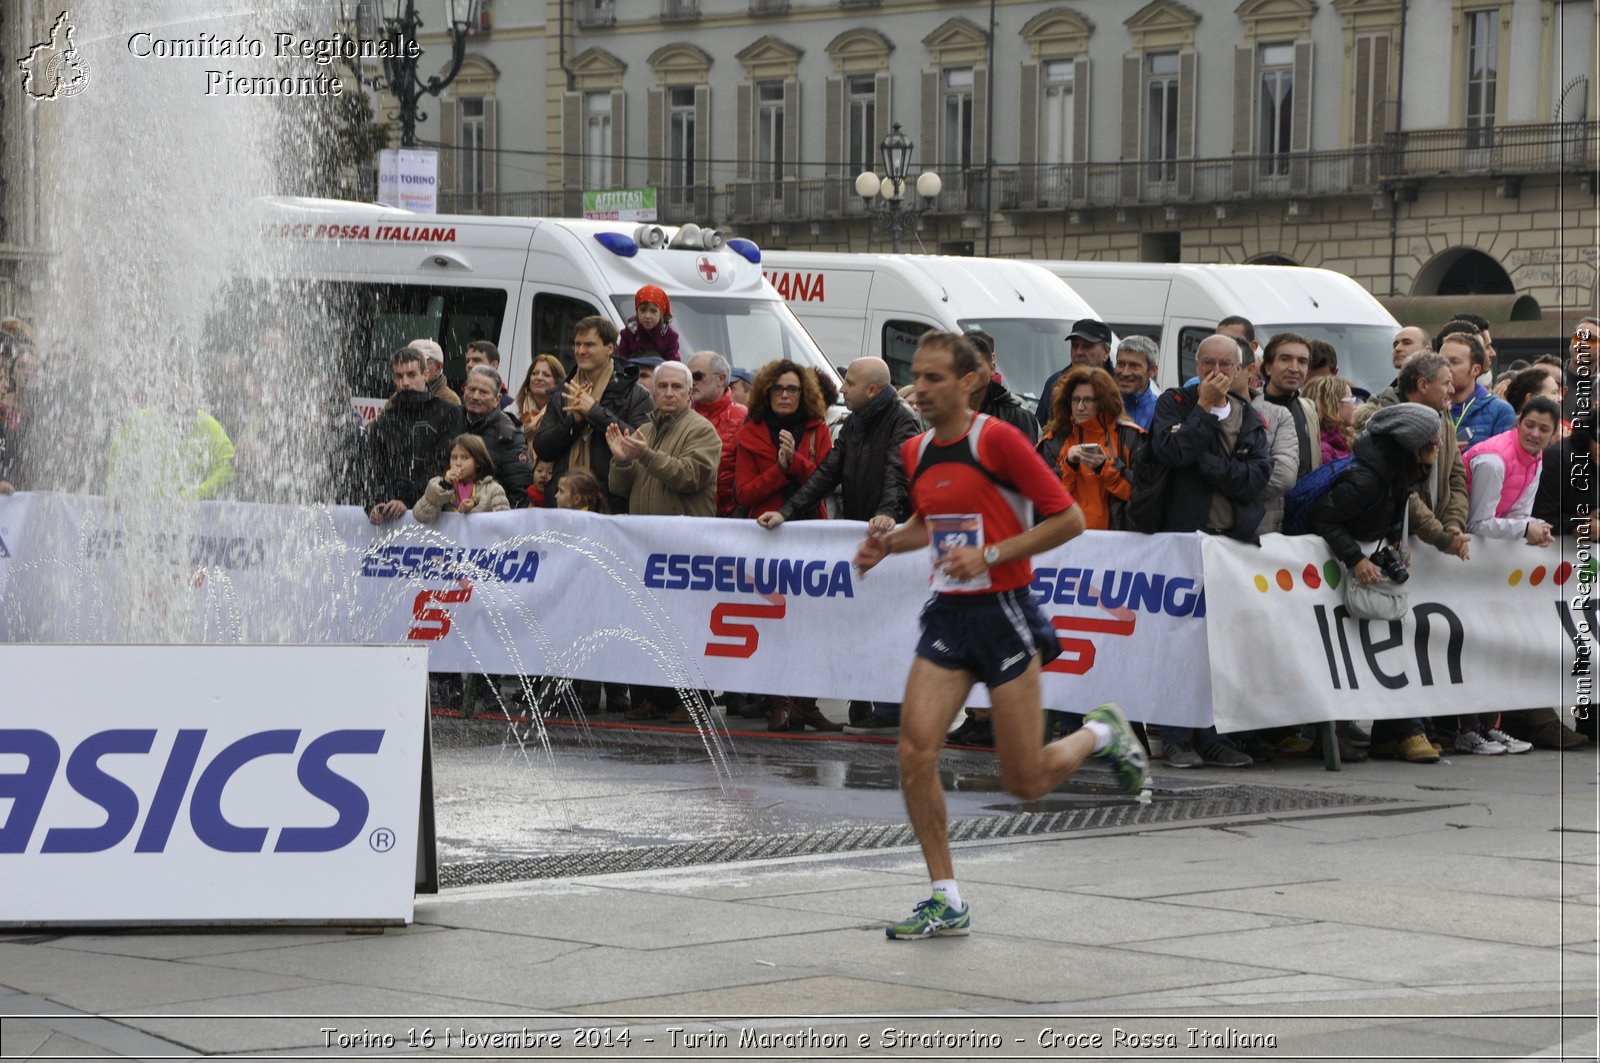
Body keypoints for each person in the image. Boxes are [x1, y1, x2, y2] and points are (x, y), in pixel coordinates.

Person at [853, 330, 1148, 940]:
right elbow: (928, 525)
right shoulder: (916, 451)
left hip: (1004, 611)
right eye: (919, 376)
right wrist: (888, 544)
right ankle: (946, 896)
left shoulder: (1001, 440)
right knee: (914, 750)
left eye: (936, 378)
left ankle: (1101, 733)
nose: (924, 388)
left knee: (1026, 781)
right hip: (949, 615)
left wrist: (991, 554)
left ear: (969, 382)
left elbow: (1065, 518)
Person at [758, 356, 919, 733]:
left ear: (872, 390)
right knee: (858, 620)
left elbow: (899, 472)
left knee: (888, 623)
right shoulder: (854, 424)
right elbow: (827, 473)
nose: (842, 388)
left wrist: (887, 513)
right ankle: (862, 698)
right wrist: (787, 511)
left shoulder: (902, 421)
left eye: (848, 382)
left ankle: (891, 703)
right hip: (860, 534)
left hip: (890, 540)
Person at [1135, 333, 1271, 768]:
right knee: (1180, 644)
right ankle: (1176, 736)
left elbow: (1254, 481)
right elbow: (1172, 451)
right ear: (1196, 365)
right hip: (1182, 540)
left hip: (1228, 546)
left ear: (1240, 370)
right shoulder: (1175, 403)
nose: (1216, 372)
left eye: (1225, 365)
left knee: (1219, 648)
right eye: (1207, 363)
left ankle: (1213, 734)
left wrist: (1208, 465)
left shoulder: (1249, 417)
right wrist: (1202, 413)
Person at [1307, 403, 1446, 764]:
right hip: (1334, 569)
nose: (1439, 447)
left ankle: (1389, 732)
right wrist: (1355, 559)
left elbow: (1384, 514)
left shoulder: (1396, 475)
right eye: (1433, 441)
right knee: (1336, 655)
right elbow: (1324, 517)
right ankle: (1333, 736)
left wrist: (1394, 543)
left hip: (1360, 558)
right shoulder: (1367, 479)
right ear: (1412, 446)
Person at [608, 362, 723, 722]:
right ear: (653, 392)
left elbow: (690, 476)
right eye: (663, 387)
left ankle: (688, 701)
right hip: (644, 546)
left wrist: (646, 455)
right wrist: (623, 462)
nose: (670, 393)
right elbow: (619, 488)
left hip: (684, 546)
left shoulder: (703, 431)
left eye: (677, 387)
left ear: (690, 394)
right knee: (647, 624)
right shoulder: (643, 429)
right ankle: (650, 697)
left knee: (683, 625)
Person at [732, 359, 840, 732]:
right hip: (767, 537)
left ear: (803, 393)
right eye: (778, 388)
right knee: (773, 622)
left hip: (810, 535)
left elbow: (826, 479)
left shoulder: (818, 430)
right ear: (766, 392)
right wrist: (778, 470)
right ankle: (777, 704)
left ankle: (805, 705)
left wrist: (792, 460)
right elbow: (744, 492)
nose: (784, 395)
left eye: (792, 388)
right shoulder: (750, 432)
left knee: (811, 622)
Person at [532, 316, 653, 514]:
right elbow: (543, 448)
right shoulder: (563, 392)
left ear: (610, 348)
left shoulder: (635, 394)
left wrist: (594, 413)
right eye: (577, 344)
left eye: (589, 345)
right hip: (563, 503)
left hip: (610, 503)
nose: (580, 351)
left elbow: (642, 442)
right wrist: (574, 422)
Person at [1363, 352, 1472, 562]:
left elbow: (1456, 477)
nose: (1452, 390)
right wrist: (1440, 537)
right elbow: (1403, 491)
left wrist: (1453, 525)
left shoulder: (1443, 419)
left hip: (1432, 537)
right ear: (1423, 385)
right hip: (1390, 542)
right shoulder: (1384, 423)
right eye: (1446, 383)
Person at [1035, 365, 1142, 532]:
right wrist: (1067, 467)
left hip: (1118, 544)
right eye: (1075, 400)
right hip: (1064, 543)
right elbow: (1040, 501)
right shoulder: (1053, 442)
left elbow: (1144, 495)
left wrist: (1105, 467)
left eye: (1088, 400)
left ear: (1103, 401)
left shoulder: (1129, 437)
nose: (1080, 407)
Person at [366, 348, 466, 524]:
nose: (405, 382)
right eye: (399, 376)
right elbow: (374, 468)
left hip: (433, 514)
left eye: (411, 375)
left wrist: (408, 499)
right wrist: (376, 502)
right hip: (388, 514)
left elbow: (442, 464)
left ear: (426, 375)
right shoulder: (385, 419)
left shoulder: (449, 412)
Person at [686, 350, 748, 517]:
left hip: (730, 521)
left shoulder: (744, 417)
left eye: (697, 376)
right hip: (688, 517)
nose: (691, 383)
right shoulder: (680, 416)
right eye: (688, 377)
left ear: (721, 379)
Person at [461, 366, 534, 505]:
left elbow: (519, 492)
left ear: (497, 399)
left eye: (483, 392)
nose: (475, 396)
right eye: (471, 389)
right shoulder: (451, 419)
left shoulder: (508, 436)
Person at [413, 433, 511, 522]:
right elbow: (421, 516)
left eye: (465, 458)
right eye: (454, 457)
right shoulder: (440, 486)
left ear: (478, 462)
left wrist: (474, 507)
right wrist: (445, 486)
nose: (458, 463)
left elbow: (503, 523)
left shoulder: (492, 490)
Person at [1443, 330, 1515, 449]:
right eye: (1441, 361)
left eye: (1454, 362)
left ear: (1475, 370)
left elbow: (1501, 461)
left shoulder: (1500, 411)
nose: (1445, 368)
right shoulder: (1431, 406)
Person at [1035, 318, 1113, 426]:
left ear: (1106, 352)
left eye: (1087, 346)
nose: (1078, 352)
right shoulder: (1055, 383)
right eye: (1075, 345)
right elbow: (1039, 432)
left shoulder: (1119, 386)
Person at [966, 331, 1039, 443]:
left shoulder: (1018, 417)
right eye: (962, 366)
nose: (969, 372)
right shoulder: (946, 414)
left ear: (992, 368)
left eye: (976, 365)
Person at [615, 284, 682, 362]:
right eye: (643, 310)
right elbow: (621, 361)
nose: (647, 316)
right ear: (637, 312)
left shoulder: (670, 336)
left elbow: (673, 365)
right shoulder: (628, 333)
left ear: (661, 313)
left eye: (653, 311)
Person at [1303, 376, 1357, 464]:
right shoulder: (1323, 451)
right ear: (1334, 405)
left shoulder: (1343, 439)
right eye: (1351, 399)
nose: (1355, 405)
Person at [515, 354, 567, 439]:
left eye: (546, 375)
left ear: (558, 383)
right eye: (535, 373)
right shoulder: (512, 412)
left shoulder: (564, 413)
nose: (539, 378)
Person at [1113, 336, 1160, 430]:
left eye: (1134, 366)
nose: (1125, 372)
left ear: (1152, 371)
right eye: (1121, 364)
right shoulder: (1101, 405)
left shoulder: (1160, 411)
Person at [465, 340, 515, 411]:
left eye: (476, 360)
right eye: (467, 361)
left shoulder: (509, 406)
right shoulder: (457, 400)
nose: (469, 365)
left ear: (494, 365)